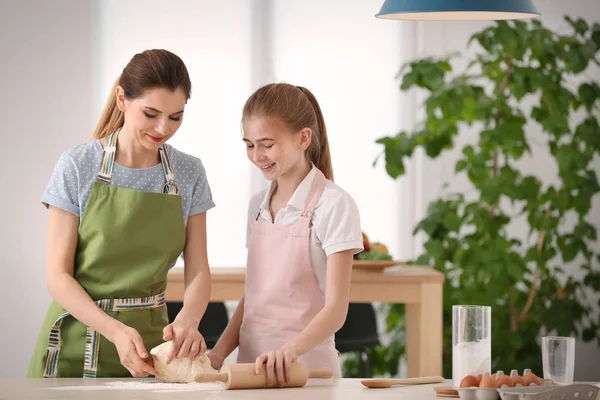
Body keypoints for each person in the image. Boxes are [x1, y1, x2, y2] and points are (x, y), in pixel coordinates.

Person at [28, 49, 214, 378]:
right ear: (122, 99)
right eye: (151, 113)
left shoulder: (189, 172)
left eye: (175, 117)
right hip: (76, 340)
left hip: (152, 351)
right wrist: (114, 331)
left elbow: (198, 269)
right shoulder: (77, 165)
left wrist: (188, 318)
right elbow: (58, 277)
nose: (163, 128)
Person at [208, 83, 363, 384]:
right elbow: (254, 297)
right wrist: (217, 354)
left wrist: (289, 351)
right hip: (250, 372)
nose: (256, 155)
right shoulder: (257, 206)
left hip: (308, 371)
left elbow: (336, 310)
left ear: (303, 138)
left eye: (267, 144)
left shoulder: (334, 205)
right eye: (249, 144)